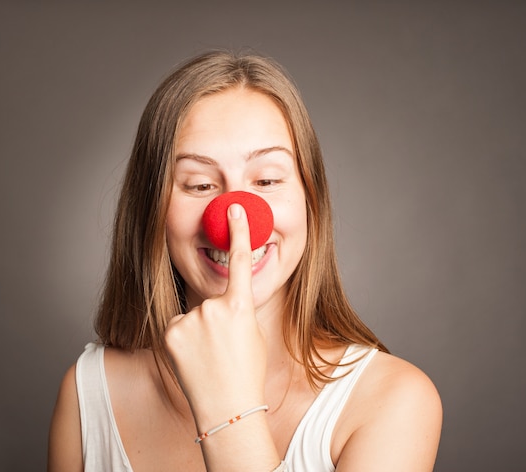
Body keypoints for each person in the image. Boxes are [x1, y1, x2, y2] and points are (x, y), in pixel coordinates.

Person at [48, 50, 442, 472]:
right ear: (152, 212)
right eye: (199, 184)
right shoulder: (87, 393)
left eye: (267, 180)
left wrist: (228, 410)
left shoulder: (394, 401)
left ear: (311, 198)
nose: (235, 220)